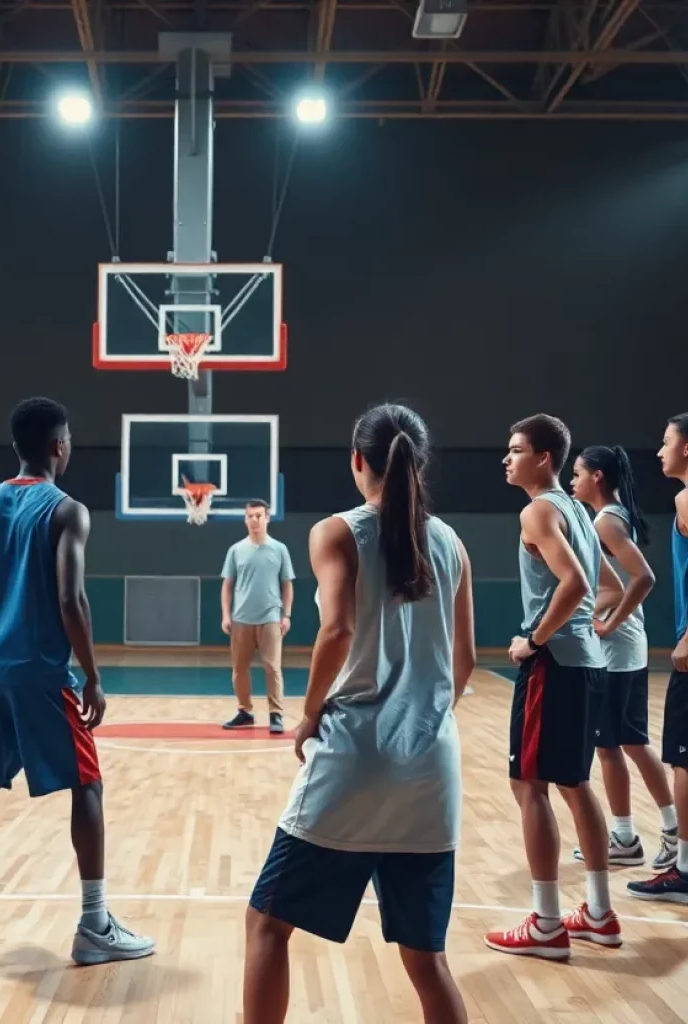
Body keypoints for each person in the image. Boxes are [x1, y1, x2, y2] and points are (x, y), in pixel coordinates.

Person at [244, 404, 473, 1024]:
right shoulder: (452, 542)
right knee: (427, 961)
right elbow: (467, 661)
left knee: (267, 924)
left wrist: (311, 713)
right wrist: (421, 716)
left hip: (354, 756)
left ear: (357, 461)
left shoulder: (336, 531)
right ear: (418, 463)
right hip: (431, 768)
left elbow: (337, 628)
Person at [0, 397, 154, 966]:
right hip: (41, 675)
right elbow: (70, 597)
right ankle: (95, 923)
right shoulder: (66, 510)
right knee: (87, 788)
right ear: (59, 445)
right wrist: (94, 677)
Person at [486, 414, 623, 960]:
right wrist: (585, 623)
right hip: (586, 662)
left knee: (529, 786)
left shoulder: (539, 509)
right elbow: (608, 586)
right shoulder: (575, 511)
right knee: (574, 783)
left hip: (554, 665)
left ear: (543, 457)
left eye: (516, 449)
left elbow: (580, 584)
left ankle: (545, 924)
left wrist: (536, 638)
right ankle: (598, 912)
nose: (506, 458)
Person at [628, 411, 688, 911]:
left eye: (666, 442)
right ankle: (686, 869)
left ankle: (686, 872)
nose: (660, 450)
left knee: (687, 760)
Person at [570, 446, 678, 871]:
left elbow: (644, 577)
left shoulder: (605, 520)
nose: (572, 480)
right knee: (610, 746)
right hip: (616, 651)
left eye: (577, 473)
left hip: (619, 652)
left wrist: (610, 623)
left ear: (597, 476)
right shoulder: (611, 515)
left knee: (629, 743)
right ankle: (625, 836)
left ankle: (670, 830)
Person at [220, 499, 295, 735]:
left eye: (259, 516)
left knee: (272, 667)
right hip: (241, 618)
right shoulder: (236, 550)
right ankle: (245, 711)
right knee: (239, 669)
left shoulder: (279, 549)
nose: (254, 520)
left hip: (271, 617)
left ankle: (276, 714)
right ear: (245, 519)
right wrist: (226, 615)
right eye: (250, 516)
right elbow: (227, 585)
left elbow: (287, 585)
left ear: (267, 518)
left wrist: (286, 615)